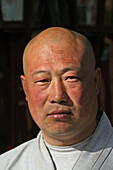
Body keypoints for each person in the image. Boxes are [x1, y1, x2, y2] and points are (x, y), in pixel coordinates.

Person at [0, 27, 113, 170]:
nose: (57, 96)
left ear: (96, 81)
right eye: (43, 80)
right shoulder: (6, 165)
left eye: (71, 78)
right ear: (26, 87)